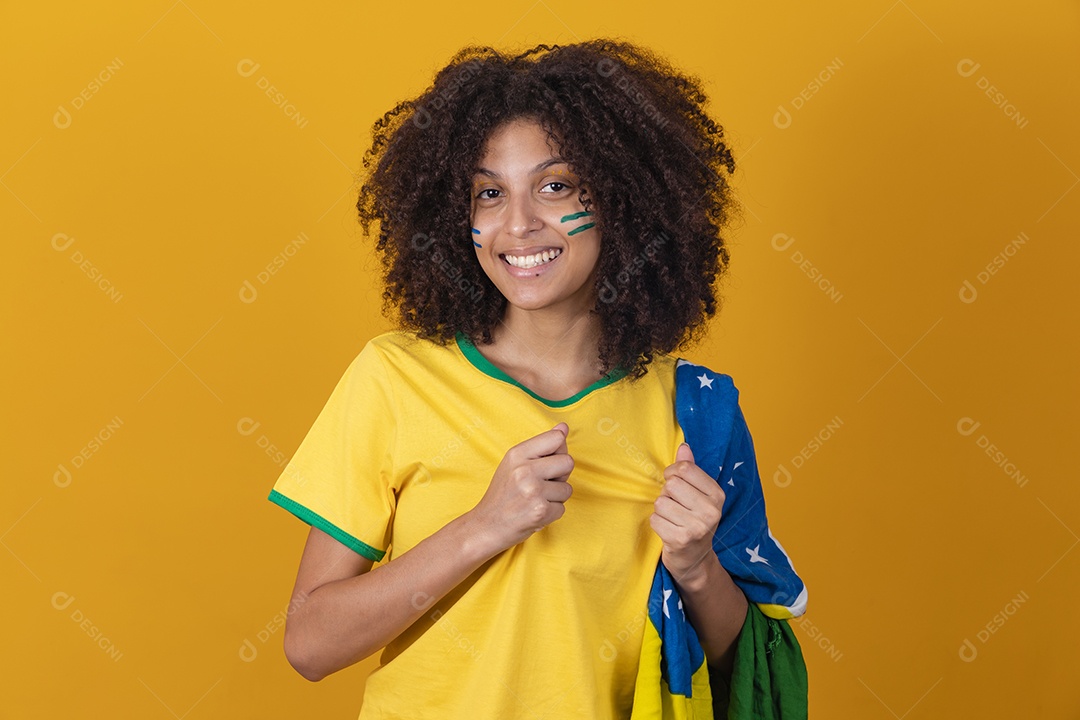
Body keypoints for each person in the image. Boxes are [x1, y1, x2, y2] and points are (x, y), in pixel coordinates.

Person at [268, 39, 801, 718]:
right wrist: (483, 527)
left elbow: (744, 671)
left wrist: (699, 569)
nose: (517, 225)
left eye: (554, 186)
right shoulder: (395, 378)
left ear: (622, 199)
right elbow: (310, 645)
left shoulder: (696, 413)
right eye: (489, 193)